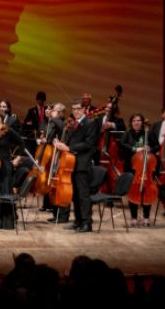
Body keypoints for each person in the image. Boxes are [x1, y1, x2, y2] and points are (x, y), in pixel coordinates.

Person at [53, 98, 98, 232]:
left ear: (84, 109)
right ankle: (78, 220)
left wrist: (68, 148)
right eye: (73, 109)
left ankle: (87, 223)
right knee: (75, 195)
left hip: (82, 164)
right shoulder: (73, 124)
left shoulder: (90, 123)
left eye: (78, 109)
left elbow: (88, 144)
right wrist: (60, 143)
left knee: (83, 195)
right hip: (71, 164)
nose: (76, 111)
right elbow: (69, 141)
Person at [120, 113, 159, 227]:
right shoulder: (127, 134)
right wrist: (134, 149)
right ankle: (134, 218)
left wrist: (150, 148)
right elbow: (122, 144)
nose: (136, 123)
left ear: (142, 123)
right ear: (131, 123)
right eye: (134, 121)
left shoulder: (148, 133)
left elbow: (157, 146)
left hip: (147, 167)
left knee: (147, 191)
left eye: (138, 120)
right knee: (133, 191)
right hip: (132, 167)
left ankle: (146, 218)